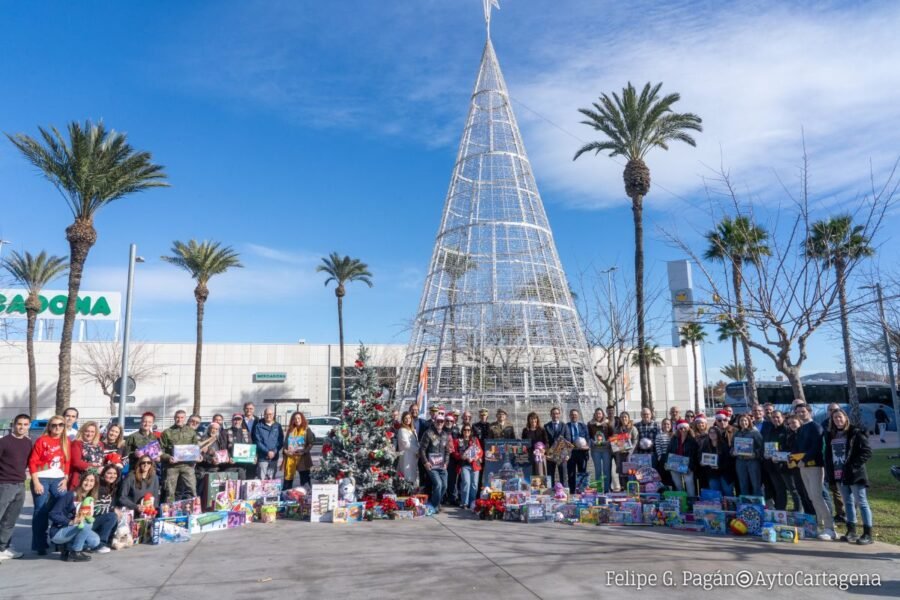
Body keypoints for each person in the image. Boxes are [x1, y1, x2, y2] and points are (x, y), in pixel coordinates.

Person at [825, 408, 874, 545]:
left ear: (846, 418)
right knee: (848, 502)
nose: (838, 420)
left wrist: (853, 466)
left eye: (840, 417)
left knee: (862, 502)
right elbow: (828, 455)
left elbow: (867, 452)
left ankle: (867, 534)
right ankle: (851, 531)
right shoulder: (831, 434)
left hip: (854, 474)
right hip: (838, 473)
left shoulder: (855, 432)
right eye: (835, 418)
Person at [28, 415, 71, 555]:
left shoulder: (66, 441)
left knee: (61, 508)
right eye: (54, 425)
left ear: (64, 427)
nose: (57, 427)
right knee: (41, 511)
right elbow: (32, 462)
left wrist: (65, 480)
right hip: (42, 478)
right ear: (49, 427)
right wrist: (36, 482)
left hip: (59, 479)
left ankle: (59, 540)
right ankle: (40, 544)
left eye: (60, 425)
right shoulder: (42, 440)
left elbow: (67, 462)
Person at [794, 403, 836, 540]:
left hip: (814, 466)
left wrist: (804, 459)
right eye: (798, 412)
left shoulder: (816, 427)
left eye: (803, 411)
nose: (801, 414)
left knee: (817, 496)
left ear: (809, 412)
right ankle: (819, 524)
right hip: (802, 466)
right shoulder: (801, 429)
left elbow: (816, 447)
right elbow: (799, 448)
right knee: (812, 497)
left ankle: (830, 528)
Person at [49, 471, 104, 561]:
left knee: (95, 541)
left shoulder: (90, 498)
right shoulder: (70, 495)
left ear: (95, 484)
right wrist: (70, 521)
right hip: (59, 531)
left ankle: (67, 547)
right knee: (86, 524)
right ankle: (75, 552)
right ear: (81, 480)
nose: (88, 483)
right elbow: (53, 514)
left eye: (91, 481)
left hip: (74, 529)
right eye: (86, 480)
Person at [0, 414, 32, 560]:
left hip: (20, 485)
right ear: (14, 424)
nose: (22, 427)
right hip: (4, 485)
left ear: (29, 426)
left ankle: (3, 548)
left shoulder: (27, 442)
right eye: (20, 424)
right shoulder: (4, 442)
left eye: (25, 424)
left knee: (10, 520)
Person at [160, 410, 200, 501]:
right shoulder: (167, 432)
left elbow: (195, 447)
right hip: (172, 466)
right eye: (177, 417)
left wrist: (198, 456)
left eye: (182, 417)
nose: (179, 419)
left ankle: (193, 510)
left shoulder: (191, 432)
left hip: (187, 466)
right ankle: (170, 512)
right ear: (174, 418)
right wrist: (168, 457)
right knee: (170, 492)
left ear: (185, 419)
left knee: (192, 489)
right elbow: (160, 450)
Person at [419, 411, 451, 511]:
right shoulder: (428, 433)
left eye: (442, 421)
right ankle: (434, 506)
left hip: (442, 465)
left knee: (444, 486)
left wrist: (446, 463)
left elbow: (447, 451)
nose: (440, 423)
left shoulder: (445, 435)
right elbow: (422, 450)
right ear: (434, 421)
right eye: (438, 421)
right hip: (432, 465)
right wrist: (425, 462)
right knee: (438, 484)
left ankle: (435, 502)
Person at [821, 403, 847, 524]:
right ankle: (836, 513)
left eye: (835, 410)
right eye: (830, 410)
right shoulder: (824, 425)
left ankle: (843, 514)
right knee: (832, 488)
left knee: (841, 491)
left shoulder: (847, 428)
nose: (832, 412)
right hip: (830, 463)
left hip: (843, 464)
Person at [783, 414, 813, 513]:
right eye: (790, 423)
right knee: (800, 491)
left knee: (808, 492)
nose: (792, 425)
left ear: (800, 422)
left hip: (806, 465)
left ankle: (814, 514)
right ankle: (807, 514)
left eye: (794, 422)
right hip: (795, 467)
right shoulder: (790, 436)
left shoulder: (805, 434)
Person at [762, 410, 790, 510]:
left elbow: (789, 447)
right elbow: (765, 445)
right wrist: (765, 453)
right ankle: (780, 510)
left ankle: (795, 510)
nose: (776, 419)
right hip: (771, 465)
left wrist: (779, 454)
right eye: (773, 417)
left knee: (792, 490)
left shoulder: (787, 430)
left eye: (778, 417)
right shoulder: (769, 430)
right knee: (778, 489)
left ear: (783, 418)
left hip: (784, 466)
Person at [452, 423, 483, 509]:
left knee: (474, 485)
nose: (467, 431)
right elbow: (454, 452)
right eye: (465, 430)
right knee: (466, 483)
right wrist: (460, 456)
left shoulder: (474, 439)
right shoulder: (458, 440)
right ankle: (464, 503)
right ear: (462, 431)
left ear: (471, 431)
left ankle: (472, 503)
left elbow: (480, 451)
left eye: (468, 430)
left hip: (475, 465)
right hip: (464, 465)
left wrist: (478, 456)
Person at [731, 414, 763, 496]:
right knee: (743, 484)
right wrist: (733, 452)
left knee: (755, 484)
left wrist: (755, 454)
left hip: (752, 461)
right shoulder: (736, 434)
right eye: (741, 420)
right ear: (738, 422)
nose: (743, 422)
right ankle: (745, 504)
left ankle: (758, 504)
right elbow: (731, 447)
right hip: (740, 461)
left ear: (749, 421)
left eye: (745, 420)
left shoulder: (755, 433)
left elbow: (762, 448)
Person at [92, 465, 122, 550]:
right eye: (109, 473)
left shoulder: (112, 487)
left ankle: (108, 541)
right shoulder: (98, 486)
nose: (112, 476)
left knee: (115, 516)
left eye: (114, 473)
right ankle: (100, 545)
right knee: (112, 516)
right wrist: (112, 510)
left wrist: (114, 509)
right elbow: (97, 507)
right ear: (103, 474)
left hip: (100, 518)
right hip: (91, 519)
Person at [283, 412, 315, 489]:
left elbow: (310, 443)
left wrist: (304, 451)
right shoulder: (290, 430)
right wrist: (285, 451)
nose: (297, 420)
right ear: (292, 420)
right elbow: (285, 444)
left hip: (303, 459)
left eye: (299, 418)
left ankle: (306, 496)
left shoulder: (306, 429)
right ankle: (287, 496)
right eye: (295, 418)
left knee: (305, 481)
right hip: (291, 458)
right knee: (288, 480)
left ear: (302, 419)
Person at [69, 421, 104, 490]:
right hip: (81, 478)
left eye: (92, 432)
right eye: (87, 431)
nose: (89, 434)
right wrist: (94, 470)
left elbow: (101, 460)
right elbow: (77, 463)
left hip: (95, 479)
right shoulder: (76, 443)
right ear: (82, 431)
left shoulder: (100, 444)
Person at [666, 420, 699, 495]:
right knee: (678, 485)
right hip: (674, 464)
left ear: (688, 428)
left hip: (687, 465)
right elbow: (669, 451)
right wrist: (667, 463)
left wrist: (690, 466)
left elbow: (694, 455)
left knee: (689, 484)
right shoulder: (674, 439)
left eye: (685, 428)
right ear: (678, 429)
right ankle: (682, 500)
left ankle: (691, 501)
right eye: (681, 428)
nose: (683, 430)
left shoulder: (692, 440)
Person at [698, 426, 732, 495]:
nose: (712, 434)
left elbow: (728, 461)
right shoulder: (705, 445)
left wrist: (719, 467)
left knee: (727, 492)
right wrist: (701, 462)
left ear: (718, 434)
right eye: (710, 432)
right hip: (712, 474)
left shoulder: (724, 445)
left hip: (725, 474)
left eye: (714, 432)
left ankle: (729, 506)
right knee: (715, 493)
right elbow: (700, 457)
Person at [253, 407, 284, 480]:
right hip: (263, 457)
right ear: (264, 415)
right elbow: (258, 441)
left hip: (274, 457)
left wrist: (274, 451)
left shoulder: (277, 426)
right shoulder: (258, 426)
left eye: (270, 414)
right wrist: (267, 452)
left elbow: (280, 440)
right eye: (266, 414)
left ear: (273, 415)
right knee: (262, 478)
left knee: (271, 479)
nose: (268, 416)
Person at [587, 408, 613, 493]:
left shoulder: (607, 423)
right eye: (597, 413)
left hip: (606, 449)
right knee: (598, 470)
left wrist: (608, 442)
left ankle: (606, 489)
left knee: (606, 470)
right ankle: (599, 489)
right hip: (595, 450)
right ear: (594, 414)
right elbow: (589, 436)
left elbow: (612, 435)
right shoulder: (590, 424)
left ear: (602, 414)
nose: (598, 415)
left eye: (600, 413)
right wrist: (592, 441)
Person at [564, 409, 589, 494]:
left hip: (582, 453)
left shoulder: (583, 426)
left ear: (578, 416)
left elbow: (588, 438)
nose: (574, 416)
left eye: (575, 414)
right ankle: (572, 491)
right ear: (569, 416)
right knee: (571, 473)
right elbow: (563, 439)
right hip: (571, 452)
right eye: (572, 414)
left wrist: (587, 446)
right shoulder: (566, 426)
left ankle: (582, 491)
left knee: (582, 472)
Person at [612, 411, 638, 488]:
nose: (624, 418)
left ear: (628, 418)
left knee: (630, 472)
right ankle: (623, 489)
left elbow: (636, 440)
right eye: (622, 417)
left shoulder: (633, 428)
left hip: (630, 454)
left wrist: (630, 451)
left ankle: (632, 489)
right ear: (620, 419)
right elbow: (614, 442)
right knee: (621, 473)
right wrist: (616, 446)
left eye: (625, 417)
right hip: (620, 454)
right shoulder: (617, 429)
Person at [544, 407, 567, 488]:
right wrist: (546, 453)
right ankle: (550, 492)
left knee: (563, 475)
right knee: (550, 475)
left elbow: (568, 440)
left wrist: (567, 454)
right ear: (551, 415)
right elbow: (545, 441)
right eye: (553, 413)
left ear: (559, 414)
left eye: (557, 413)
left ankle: (564, 493)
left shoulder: (564, 426)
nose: (555, 415)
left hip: (561, 454)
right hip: (550, 454)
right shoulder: (546, 426)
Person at [225, 413, 253, 479]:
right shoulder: (226, 432)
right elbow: (223, 447)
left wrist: (253, 457)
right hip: (230, 465)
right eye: (235, 420)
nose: (237, 422)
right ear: (232, 421)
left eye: (239, 420)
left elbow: (250, 446)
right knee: (230, 486)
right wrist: (229, 457)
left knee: (241, 485)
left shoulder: (246, 433)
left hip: (242, 465)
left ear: (242, 421)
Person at [397, 412, 419, 487]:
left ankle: (411, 492)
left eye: (409, 418)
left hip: (413, 456)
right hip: (406, 456)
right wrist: (418, 450)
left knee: (413, 475)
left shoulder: (412, 430)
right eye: (405, 418)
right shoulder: (402, 430)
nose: (407, 420)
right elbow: (406, 444)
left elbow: (416, 442)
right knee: (407, 475)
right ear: (403, 419)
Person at [654, 418, 674, 488]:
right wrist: (660, 457)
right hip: (663, 457)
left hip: (672, 458)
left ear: (671, 425)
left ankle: (672, 490)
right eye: (664, 424)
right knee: (663, 475)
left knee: (671, 476)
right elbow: (658, 447)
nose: (666, 426)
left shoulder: (674, 435)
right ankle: (663, 490)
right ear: (662, 426)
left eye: (668, 424)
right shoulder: (659, 435)